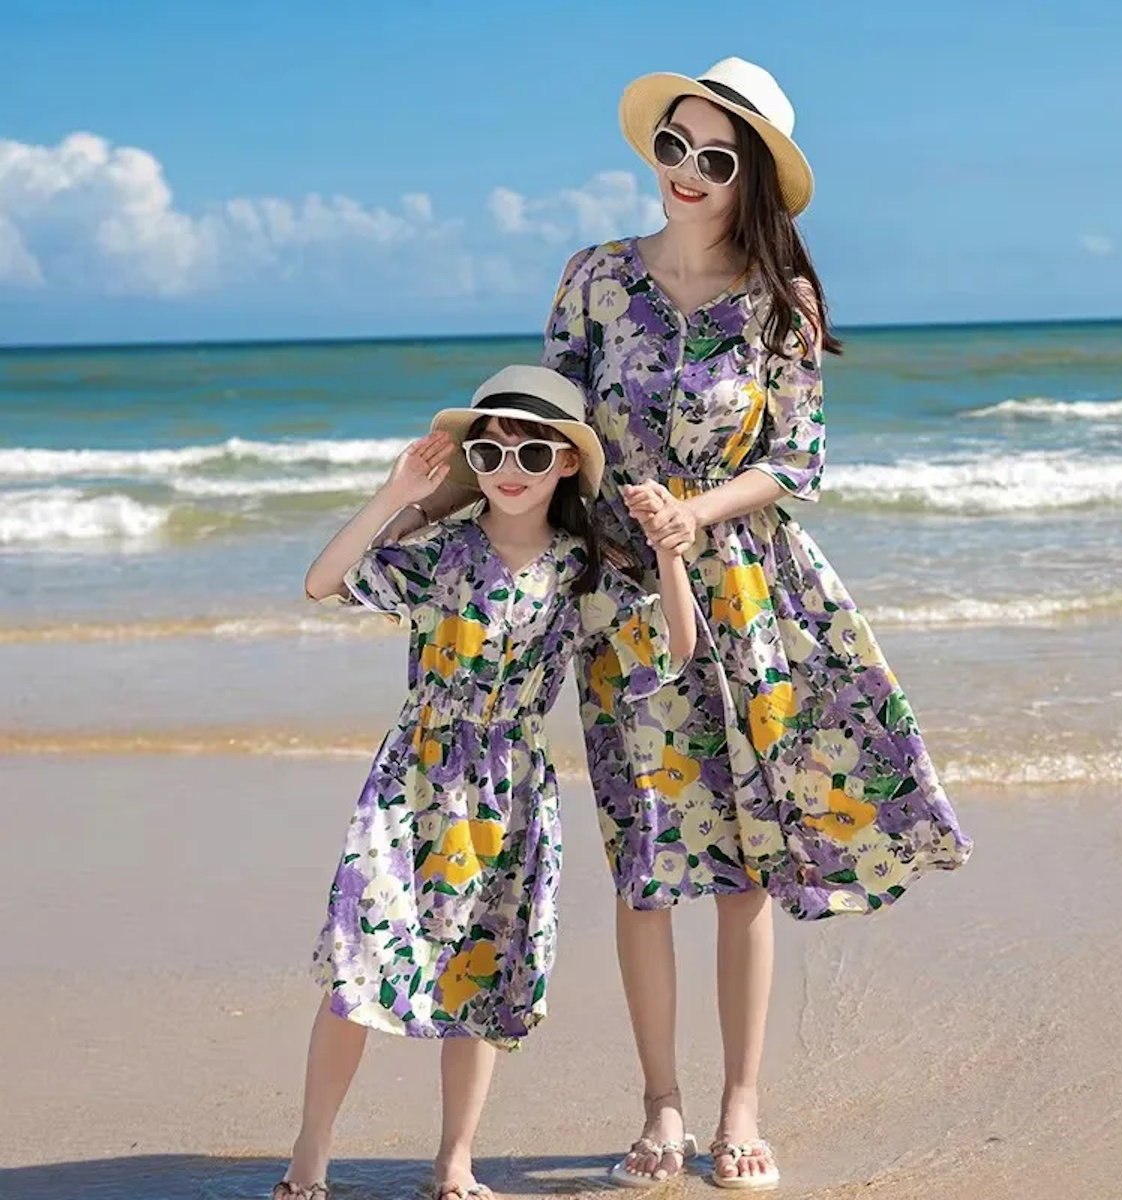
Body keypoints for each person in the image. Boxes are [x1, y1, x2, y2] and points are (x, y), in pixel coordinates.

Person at [539, 58, 972, 1191]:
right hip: (623, 601)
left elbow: (798, 461)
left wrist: (695, 511)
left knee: (738, 866)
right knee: (644, 865)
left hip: (748, 593)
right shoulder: (593, 278)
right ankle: (660, 1108)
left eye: (713, 158)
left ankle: (740, 1103)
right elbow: (556, 429)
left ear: (751, 180)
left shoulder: (782, 302)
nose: (685, 171)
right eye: (672, 147)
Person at [273, 365, 697, 1200]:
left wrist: (671, 555)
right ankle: (309, 1156)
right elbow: (323, 582)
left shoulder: (583, 573)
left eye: (534, 451)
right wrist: (398, 491)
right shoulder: (439, 553)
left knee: (481, 976)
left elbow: (675, 651)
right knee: (358, 970)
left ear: (567, 465)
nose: (511, 466)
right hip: (414, 778)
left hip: (512, 796)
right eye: (493, 447)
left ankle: (455, 1163)